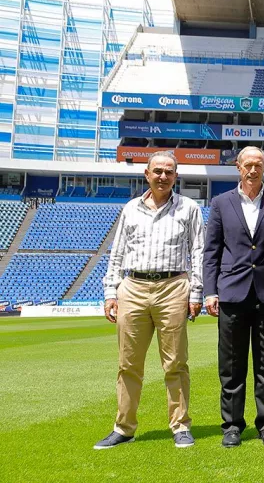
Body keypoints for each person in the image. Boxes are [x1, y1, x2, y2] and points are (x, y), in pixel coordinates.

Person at [95, 151, 204, 449]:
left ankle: (180, 426)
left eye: (169, 172)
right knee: (128, 363)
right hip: (133, 286)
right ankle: (124, 427)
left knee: (175, 363)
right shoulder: (130, 209)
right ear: (147, 174)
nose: (163, 176)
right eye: (157, 171)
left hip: (173, 286)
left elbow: (198, 252)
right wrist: (110, 292)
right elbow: (117, 253)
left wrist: (196, 293)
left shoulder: (189, 208)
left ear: (176, 176)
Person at [203, 146, 264, 448]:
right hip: (231, 293)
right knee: (231, 365)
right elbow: (212, 251)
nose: (252, 170)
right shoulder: (220, 203)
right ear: (238, 167)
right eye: (247, 165)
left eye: (258, 165)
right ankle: (232, 425)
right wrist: (210, 291)